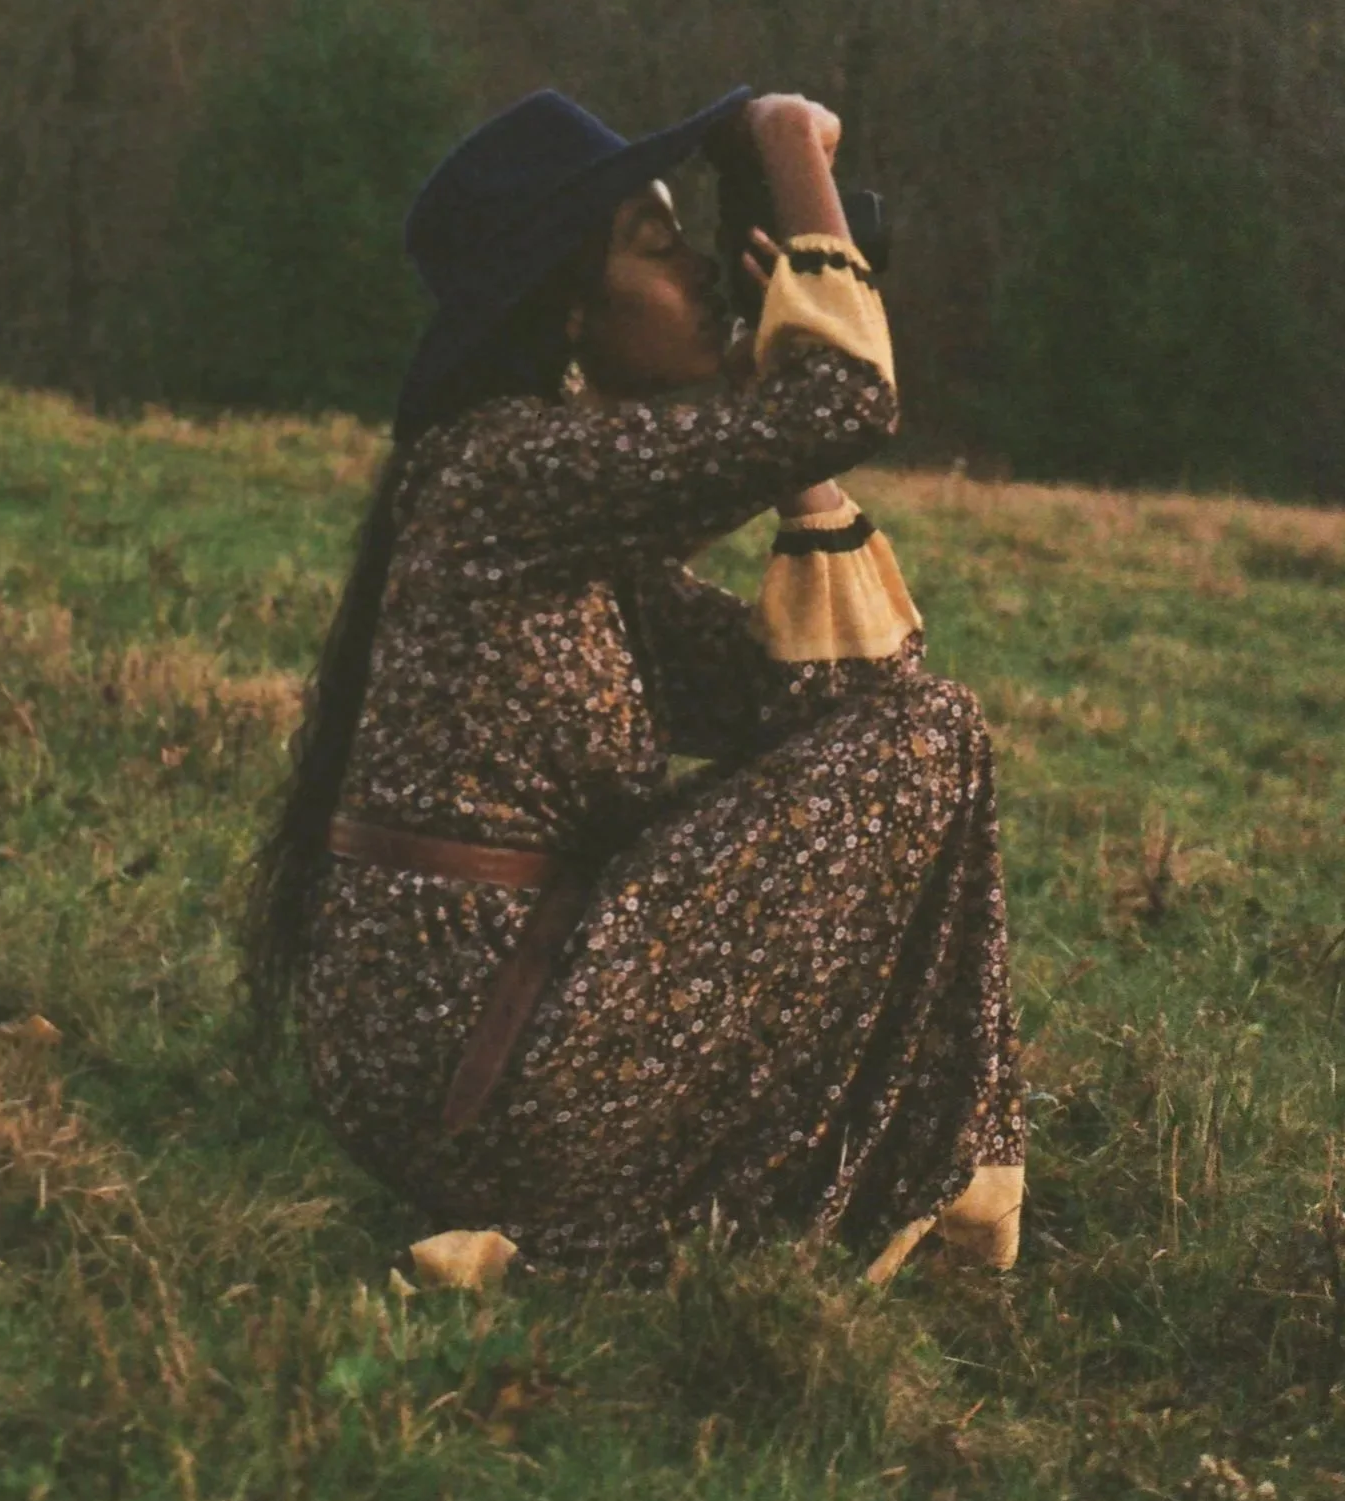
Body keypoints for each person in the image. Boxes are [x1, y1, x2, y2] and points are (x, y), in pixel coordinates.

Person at [245, 82, 1024, 1288]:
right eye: (661, 245)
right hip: (479, 1050)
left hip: (498, 1038)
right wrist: (780, 144)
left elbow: (850, 705)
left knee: (925, 731)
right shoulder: (495, 470)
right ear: (565, 308)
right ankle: (943, 1170)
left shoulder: (580, 543)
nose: (703, 272)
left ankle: (938, 1170)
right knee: (935, 729)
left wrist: (783, 417)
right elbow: (851, 400)